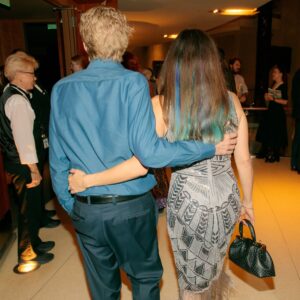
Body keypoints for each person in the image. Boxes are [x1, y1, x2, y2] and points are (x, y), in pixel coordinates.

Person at [49, 7, 237, 300]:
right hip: (131, 208)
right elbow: (149, 153)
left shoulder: (61, 89)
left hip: (86, 208)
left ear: (85, 46)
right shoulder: (133, 82)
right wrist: (209, 147)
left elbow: (57, 158)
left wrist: (72, 206)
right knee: (145, 280)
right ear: (123, 46)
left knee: (102, 289)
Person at [0, 53, 55, 267]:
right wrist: (33, 169)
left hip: (17, 162)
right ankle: (27, 253)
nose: (34, 78)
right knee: (27, 211)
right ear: (20, 76)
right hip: (23, 165)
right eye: (32, 74)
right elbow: (23, 139)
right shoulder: (17, 101)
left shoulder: (10, 93)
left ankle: (35, 242)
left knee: (30, 207)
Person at [256, 64, 288, 162]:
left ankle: (274, 154)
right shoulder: (273, 85)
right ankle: (266, 152)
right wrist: (266, 97)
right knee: (268, 131)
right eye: (273, 72)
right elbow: (270, 99)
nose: (273, 74)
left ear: (280, 74)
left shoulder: (283, 85)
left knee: (275, 133)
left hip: (277, 113)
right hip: (271, 111)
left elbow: (285, 101)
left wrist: (273, 99)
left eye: (275, 72)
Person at [291, 68, 300, 173]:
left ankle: (294, 163)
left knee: (297, 138)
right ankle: (297, 164)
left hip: (298, 112)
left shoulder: (297, 74)